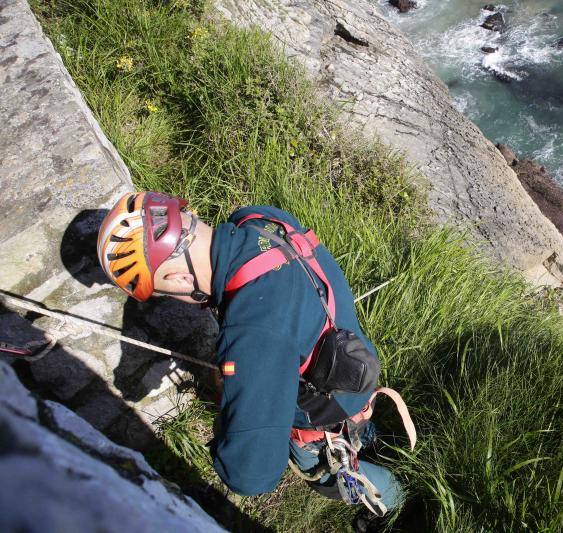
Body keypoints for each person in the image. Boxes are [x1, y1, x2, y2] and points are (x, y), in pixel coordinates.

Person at [96, 191, 413, 528]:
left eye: (162, 292)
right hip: (352, 365)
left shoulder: (253, 334)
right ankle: (371, 439)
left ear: (178, 278)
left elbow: (252, 475)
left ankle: (398, 500)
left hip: (325, 423)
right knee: (357, 428)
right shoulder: (260, 219)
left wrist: (225, 430)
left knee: (327, 474)